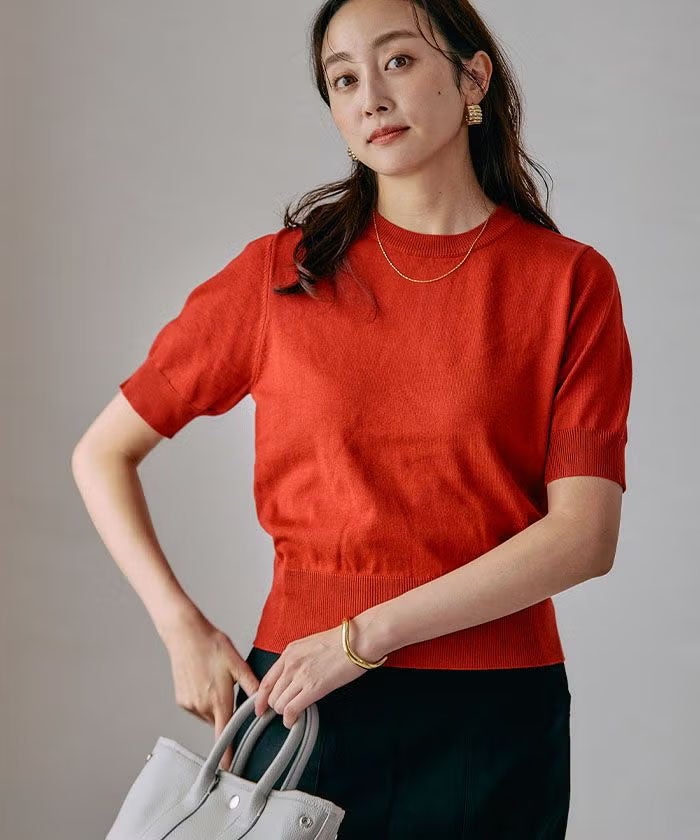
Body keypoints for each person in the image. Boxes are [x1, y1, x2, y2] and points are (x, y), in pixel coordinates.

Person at [71, 0, 633, 837]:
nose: (370, 96)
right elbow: (102, 453)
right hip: (306, 710)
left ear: (473, 78)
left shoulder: (569, 283)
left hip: (493, 716)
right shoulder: (279, 277)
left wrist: (362, 637)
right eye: (342, 79)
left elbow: (584, 537)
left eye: (398, 61)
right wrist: (180, 625)